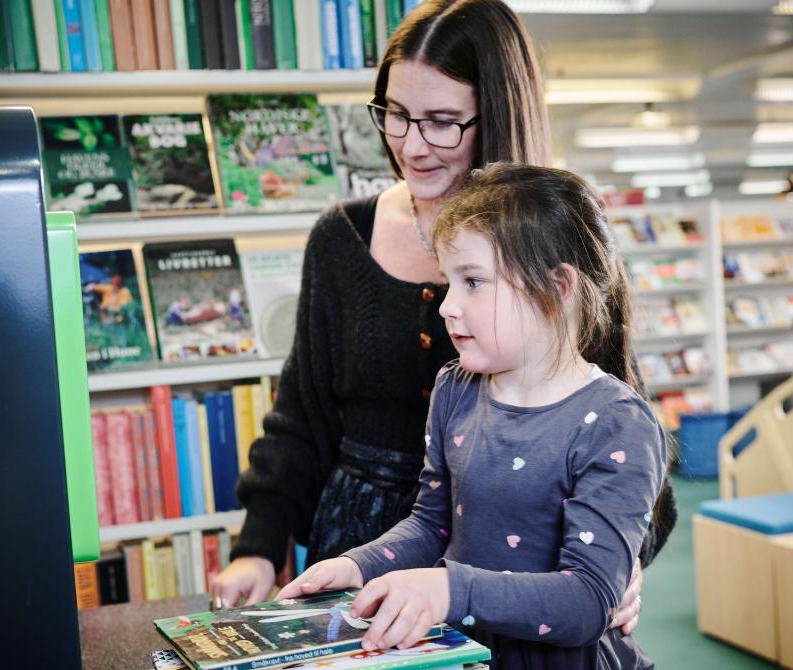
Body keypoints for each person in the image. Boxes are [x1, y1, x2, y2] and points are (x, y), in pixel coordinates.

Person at [212, 0, 677, 634]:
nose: (410, 144)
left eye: (441, 122)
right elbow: (299, 414)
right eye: (396, 115)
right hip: (365, 543)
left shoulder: (558, 240)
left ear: (496, 117)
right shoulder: (341, 238)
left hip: (514, 574)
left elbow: (625, 444)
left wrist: (619, 566)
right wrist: (258, 548)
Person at [277, 163, 666, 669]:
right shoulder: (455, 389)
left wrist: (447, 589)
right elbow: (431, 526)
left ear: (558, 288)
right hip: (466, 654)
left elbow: (588, 601)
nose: (447, 306)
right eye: (448, 281)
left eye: (474, 282)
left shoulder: (616, 422)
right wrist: (359, 565)